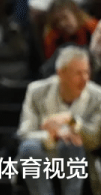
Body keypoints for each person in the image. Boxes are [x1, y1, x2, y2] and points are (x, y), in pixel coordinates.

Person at [17, 46, 101, 195]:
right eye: (78, 73)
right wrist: (52, 135)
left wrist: (72, 121)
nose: (85, 79)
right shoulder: (36, 91)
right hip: (45, 151)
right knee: (29, 147)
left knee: (72, 143)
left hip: (80, 157)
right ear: (61, 73)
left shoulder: (97, 96)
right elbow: (25, 133)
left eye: (87, 72)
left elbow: (95, 139)